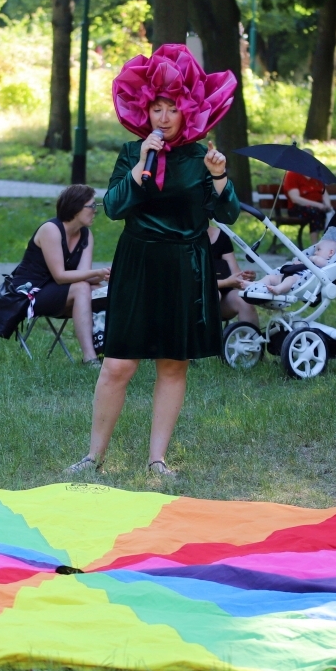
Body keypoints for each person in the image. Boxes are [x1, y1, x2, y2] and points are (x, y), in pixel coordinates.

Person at [67, 44, 239, 478]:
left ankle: (156, 459)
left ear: (188, 112)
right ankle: (93, 457)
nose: (163, 117)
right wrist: (142, 163)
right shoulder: (131, 152)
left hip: (186, 265)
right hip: (139, 263)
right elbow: (114, 207)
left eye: (172, 109)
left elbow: (228, 214)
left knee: (172, 364)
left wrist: (220, 177)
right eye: (157, 108)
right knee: (118, 363)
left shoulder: (203, 157)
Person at [8, 184, 108, 365]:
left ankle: (106, 351)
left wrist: (106, 275)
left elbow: (82, 274)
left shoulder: (86, 235)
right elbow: (60, 276)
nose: (95, 211)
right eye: (92, 206)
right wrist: (96, 272)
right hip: (29, 293)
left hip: (58, 292)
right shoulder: (51, 230)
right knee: (82, 288)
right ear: (76, 208)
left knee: (99, 290)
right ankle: (90, 358)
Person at [249, 237, 336, 295]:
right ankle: (254, 285)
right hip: (292, 275)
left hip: (299, 279)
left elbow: (320, 262)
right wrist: (300, 263)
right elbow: (303, 266)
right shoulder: (314, 259)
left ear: (331, 252)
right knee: (271, 277)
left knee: (290, 279)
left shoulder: (326, 263)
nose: (315, 252)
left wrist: (311, 259)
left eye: (319, 249)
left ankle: (278, 289)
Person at [208, 224, 257, 325]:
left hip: (222, 298)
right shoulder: (180, 237)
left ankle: (253, 339)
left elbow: (236, 273)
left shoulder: (221, 236)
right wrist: (226, 282)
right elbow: (192, 283)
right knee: (214, 295)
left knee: (244, 301)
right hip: (192, 298)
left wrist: (246, 279)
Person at [280, 158, 331, 235]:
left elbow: (324, 192)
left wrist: (328, 205)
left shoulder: (316, 175)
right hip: (297, 209)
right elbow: (295, 199)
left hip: (318, 207)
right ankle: (314, 244)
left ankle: (328, 240)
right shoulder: (292, 174)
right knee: (315, 212)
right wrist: (318, 205)